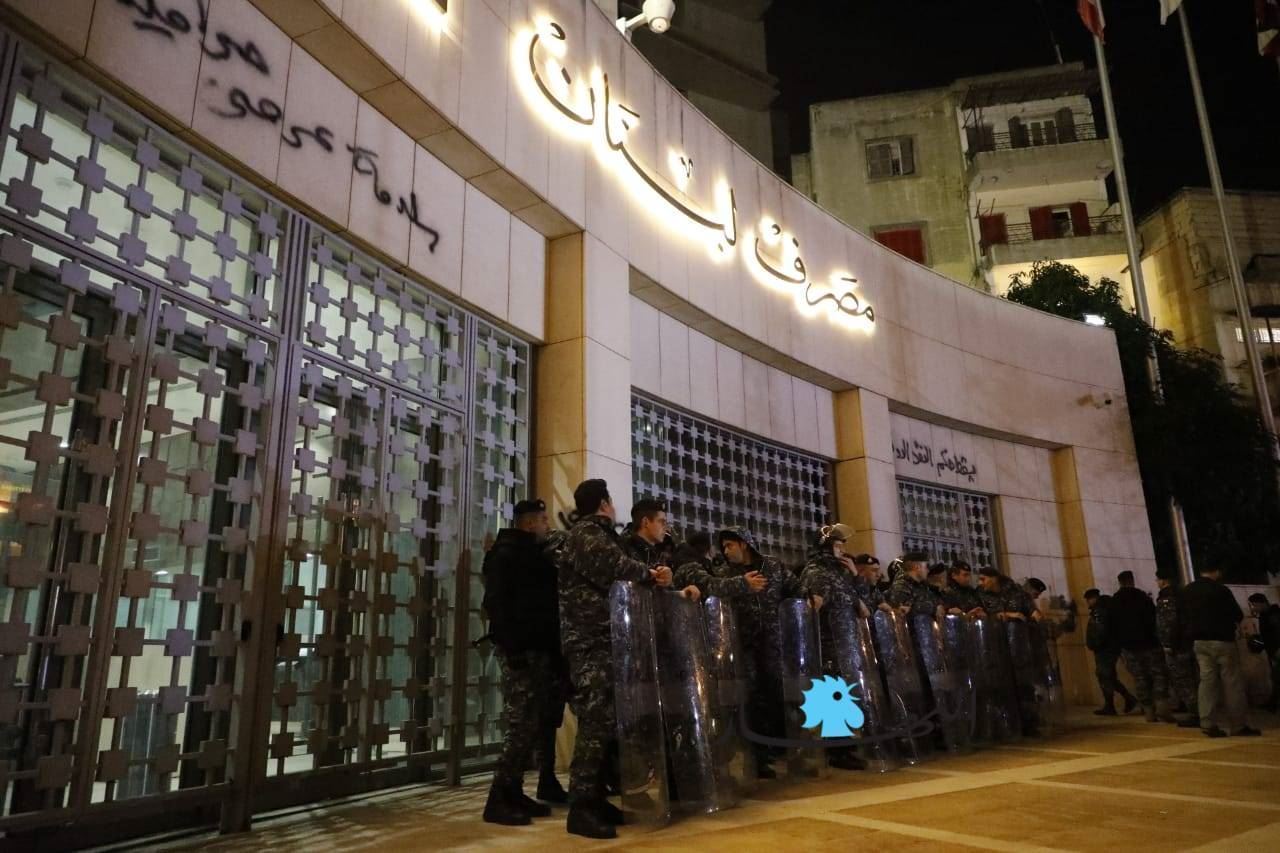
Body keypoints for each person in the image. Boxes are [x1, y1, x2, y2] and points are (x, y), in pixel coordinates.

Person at [559, 480, 673, 839]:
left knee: (604, 724)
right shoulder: (587, 535)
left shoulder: (599, 534)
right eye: (611, 501)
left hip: (604, 642)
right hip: (589, 644)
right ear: (604, 504)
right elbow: (616, 566)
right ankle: (581, 808)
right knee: (594, 725)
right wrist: (650, 575)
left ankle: (594, 800)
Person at [481, 499, 565, 825]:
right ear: (529, 523)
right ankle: (497, 798)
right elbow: (497, 605)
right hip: (521, 652)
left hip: (536, 651)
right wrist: (513, 650)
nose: (548, 525)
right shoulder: (507, 555)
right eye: (543, 520)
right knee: (520, 726)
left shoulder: (531, 553)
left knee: (531, 724)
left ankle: (514, 792)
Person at [714, 525, 804, 778]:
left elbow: (796, 588)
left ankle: (786, 749)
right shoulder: (726, 574)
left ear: (744, 544)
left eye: (729, 545)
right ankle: (759, 757)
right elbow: (715, 591)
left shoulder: (773, 566)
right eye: (723, 546)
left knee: (777, 695)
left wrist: (810, 598)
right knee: (752, 699)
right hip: (745, 647)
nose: (725, 551)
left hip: (774, 646)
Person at [800, 524, 869, 771]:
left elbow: (864, 608)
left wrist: (855, 575)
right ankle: (838, 750)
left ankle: (845, 745)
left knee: (845, 696)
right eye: (837, 546)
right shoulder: (816, 572)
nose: (841, 551)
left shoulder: (840, 573)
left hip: (846, 644)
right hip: (828, 645)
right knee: (833, 696)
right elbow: (811, 608)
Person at [1181, 566, 1260, 738]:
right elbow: (1237, 614)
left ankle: (1207, 722)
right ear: (1216, 571)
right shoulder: (1221, 590)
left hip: (1199, 642)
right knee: (1232, 682)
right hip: (1222, 641)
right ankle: (1238, 725)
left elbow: (1182, 617)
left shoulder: (1188, 590)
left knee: (1206, 681)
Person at [1109, 571, 1174, 723]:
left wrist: (1119, 646)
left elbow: (1112, 626)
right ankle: (1162, 705)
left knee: (1140, 678)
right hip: (1149, 644)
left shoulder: (1115, 601)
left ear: (1120, 582)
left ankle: (1149, 711)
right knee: (1158, 675)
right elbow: (1154, 619)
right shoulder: (1142, 597)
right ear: (1132, 581)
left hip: (1129, 647)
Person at [1083, 588, 1139, 716]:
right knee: (1110, 677)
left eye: (1088, 599)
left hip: (1104, 649)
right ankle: (1127, 699)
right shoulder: (1106, 607)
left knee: (1104, 676)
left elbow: (1100, 630)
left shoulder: (1099, 611)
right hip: (1111, 648)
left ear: (1093, 598)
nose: (1087, 603)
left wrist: (1095, 644)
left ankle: (1112, 705)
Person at [1156, 573, 1200, 727]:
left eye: (1158, 579)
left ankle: (1196, 714)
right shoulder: (1184, 594)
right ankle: (1201, 711)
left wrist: (1168, 644)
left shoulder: (1166, 597)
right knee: (1193, 679)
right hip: (1189, 643)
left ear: (1163, 580)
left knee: (1183, 681)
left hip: (1177, 647)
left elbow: (1168, 623)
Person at [888, 551, 945, 621]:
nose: (928, 571)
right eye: (926, 567)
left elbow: (935, 600)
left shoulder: (922, 585)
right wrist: (934, 608)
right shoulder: (901, 585)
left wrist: (938, 606)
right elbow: (902, 610)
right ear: (917, 567)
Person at [1247, 593, 1280, 711]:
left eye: (1254, 605)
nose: (1253, 608)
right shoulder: (1265, 615)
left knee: (1277, 677)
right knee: (1276, 678)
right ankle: (1272, 704)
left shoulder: (1273, 614)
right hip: (1273, 651)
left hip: (1277, 651)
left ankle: (1272, 704)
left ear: (1262, 603)